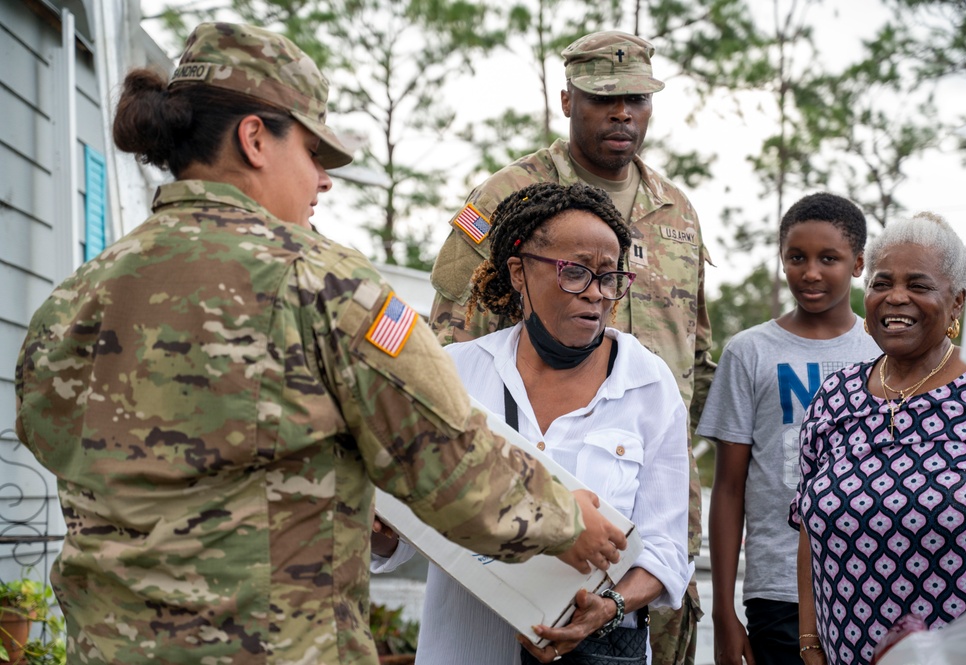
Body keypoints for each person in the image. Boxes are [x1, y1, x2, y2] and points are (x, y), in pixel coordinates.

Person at [13, 22, 627, 665]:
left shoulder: (76, 297)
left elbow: (50, 440)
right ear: (255, 138)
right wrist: (568, 519)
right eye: (314, 154)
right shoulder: (323, 285)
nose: (324, 181)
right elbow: (448, 458)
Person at [427, 30, 715, 664]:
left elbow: (695, 347)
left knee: (654, 625)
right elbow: (454, 318)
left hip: (647, 453)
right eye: (603, 99)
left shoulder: (676, 211)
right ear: (566, 100)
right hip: (520, 452)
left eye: (637, 99)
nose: (622, 114)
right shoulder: (506, 194)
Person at [372, 182, 692, 665]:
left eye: (609, 278)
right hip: (464, 650)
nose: (596, 295)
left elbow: (665, 547)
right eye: (576, 272)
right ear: (519, 272)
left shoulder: (649, 385)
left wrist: (607, 608)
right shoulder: (454, 372)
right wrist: (381, 526)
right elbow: (401, 538)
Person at [789, 212, 966, 665]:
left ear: (957, 302)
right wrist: (809, 644)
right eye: (882, 283)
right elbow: (808, 528)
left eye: (919, 286)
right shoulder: (834, 397)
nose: (896, 298)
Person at [697, 193, 881, 665]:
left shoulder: (884, 352)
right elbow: (730, 487)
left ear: (858, 263)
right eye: (796, 258)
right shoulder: (749, 352)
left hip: (875, 581)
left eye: (829, 258)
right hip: (777, 590)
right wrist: (723, 612)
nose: (811, 272)